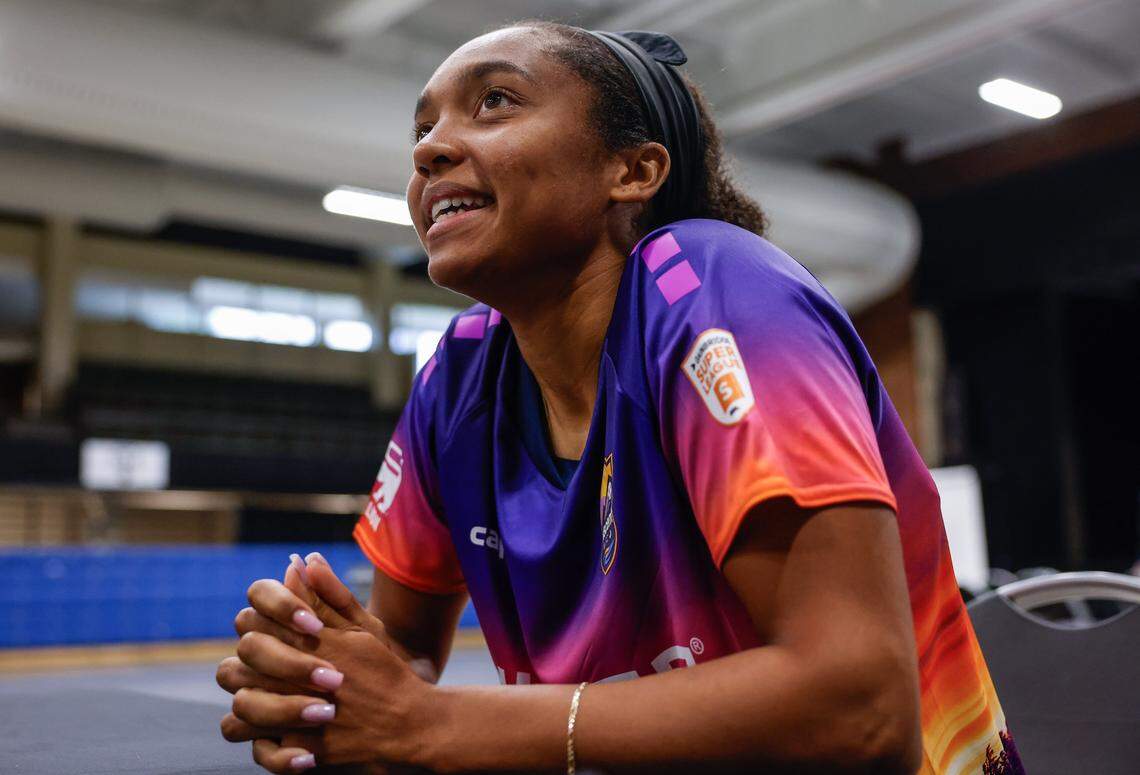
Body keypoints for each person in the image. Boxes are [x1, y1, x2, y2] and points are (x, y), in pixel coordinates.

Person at [216, 21, 1023, 775]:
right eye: (422, 129)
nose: (431, 150)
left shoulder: (713, 288)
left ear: (632, 170)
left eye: (494, 101)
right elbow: (403, 659)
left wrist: (430, 723)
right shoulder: (459, 374)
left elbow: (861, 708)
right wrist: (322, 673)